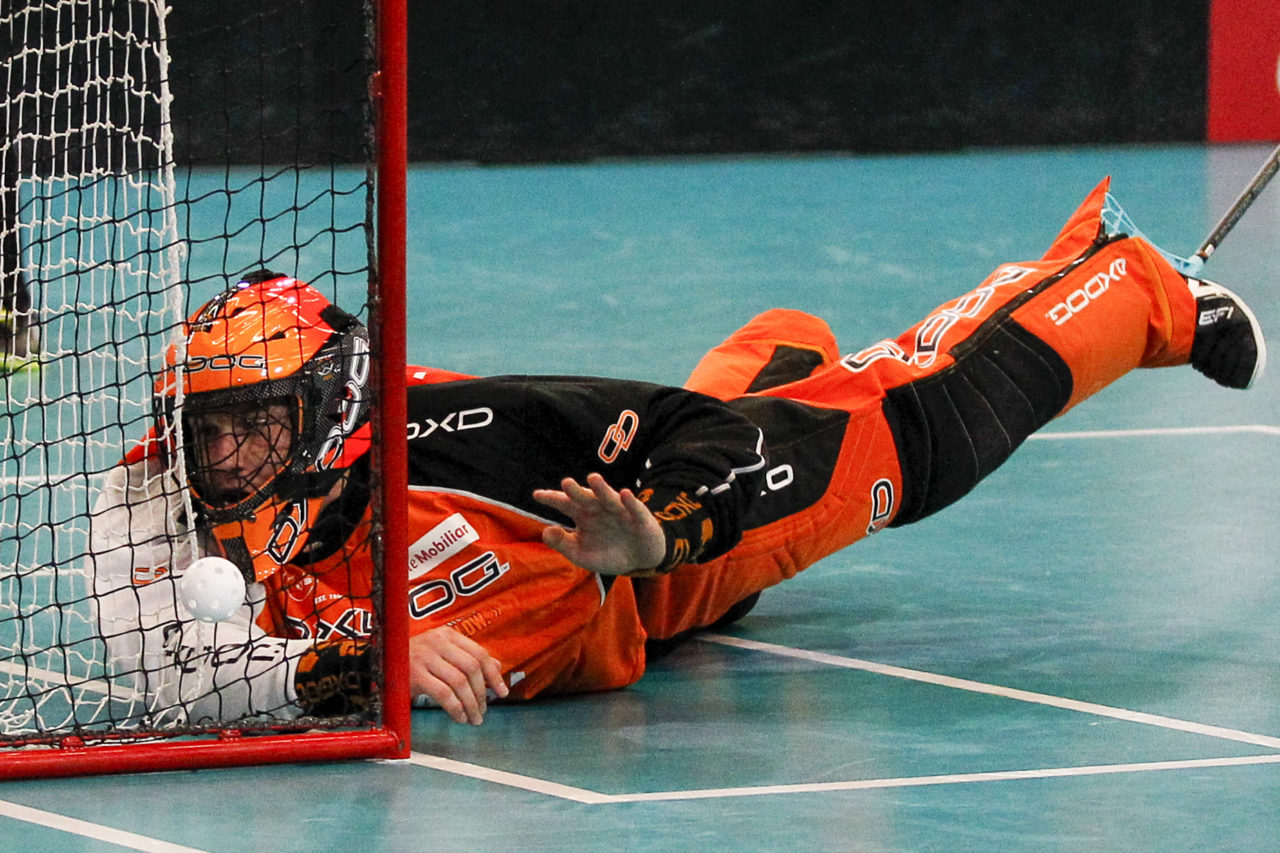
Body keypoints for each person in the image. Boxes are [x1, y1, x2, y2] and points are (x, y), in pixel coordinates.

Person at [91, 177, 1266, 728]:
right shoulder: (151, 497)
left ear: (333, 411)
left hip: (653, 552)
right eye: (206, 424)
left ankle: (1136, 288)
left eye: (254, 421)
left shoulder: (478, 435)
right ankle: (779, 351)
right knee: (790, 381)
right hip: (617, 605)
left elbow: (685, 435)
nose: (222, 452)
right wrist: (363, 663)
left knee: (916, 434)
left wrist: (662, 527)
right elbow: (174, 672)